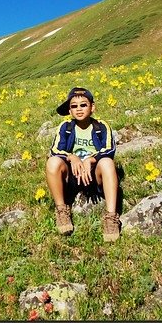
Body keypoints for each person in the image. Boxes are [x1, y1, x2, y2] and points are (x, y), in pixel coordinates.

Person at [45, 87, 120, 242]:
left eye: (83, 105)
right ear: (69, 110)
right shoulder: (65, 127)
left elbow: (109, 149)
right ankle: (61, 210)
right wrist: (72, 157)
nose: (79, 109)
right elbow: (54, 150)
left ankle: (111, 217)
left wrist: (90, 159)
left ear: (92, 107)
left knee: (107, 162)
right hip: (73, 175)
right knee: (52, 162)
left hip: (94, 175)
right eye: (74, 106)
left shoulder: (101, 126)